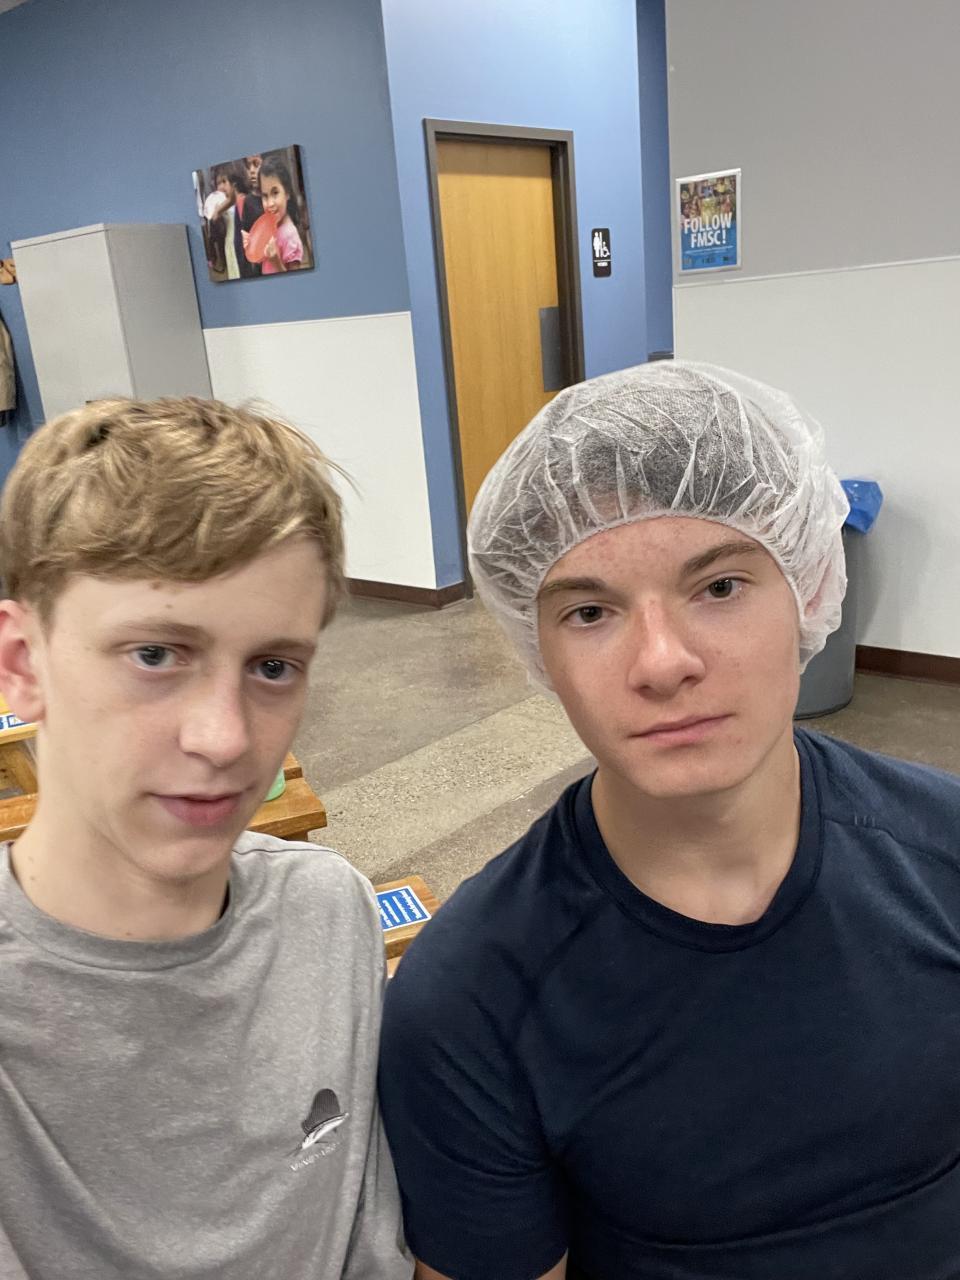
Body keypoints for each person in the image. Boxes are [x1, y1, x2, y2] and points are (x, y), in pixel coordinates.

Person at [378, 361, 960, 1280]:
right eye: (590, 611)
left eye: (719, 587)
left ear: (809, 588)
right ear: (538, 651)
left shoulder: (943, 854)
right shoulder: (470, 1000)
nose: (662, 662)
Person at [0, 397, 412, 1279]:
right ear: (21, 663)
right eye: (156, 654)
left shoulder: (325, 911)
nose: (225, 739)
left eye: (273, 667)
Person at [250, 153, 306, 275]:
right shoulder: (271, 226)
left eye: (275, 193)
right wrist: (253, 244)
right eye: (265, 196)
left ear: (287, 193)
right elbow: (264, 257)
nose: (270, 203)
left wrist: (276, 262)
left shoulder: (290, 236)